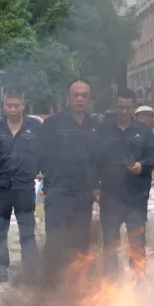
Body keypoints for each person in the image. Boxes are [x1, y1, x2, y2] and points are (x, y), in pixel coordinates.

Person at [39, 79, 100, 278]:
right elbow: (42, 156)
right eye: (76, 95)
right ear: (68, 97)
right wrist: (50, 183)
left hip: (84, 195)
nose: (80, 99)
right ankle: (51, 285)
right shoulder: (53, 124)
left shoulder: (95, 126)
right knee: (55, 242)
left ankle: (75, 285)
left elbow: (98, 160)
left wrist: (95, 186)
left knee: (80, 243)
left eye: (84, 95)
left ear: (89, 99)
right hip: (59, 193)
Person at [98, 89, 154, 276]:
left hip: (136, 196)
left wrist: (142, 165)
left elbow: (153, 156)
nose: (124, 111)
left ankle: (138, 282)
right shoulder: (103, 131)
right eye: (120, 107)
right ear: (115, 107)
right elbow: (94, 160)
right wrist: (94, 187)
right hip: (110, 196)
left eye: (128, 107)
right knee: (110, 242)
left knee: (137, 242)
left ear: (134, 108)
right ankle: (110, 281)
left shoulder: (144, 131)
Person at [0, 88, 42, 285]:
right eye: (9, 105)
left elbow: (42, 154)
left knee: (27, 230)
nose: (13, 109)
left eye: (16, 105)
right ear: (3, 106)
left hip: (24, 187)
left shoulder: (35, 127)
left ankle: (31, 272)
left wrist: (34, 172)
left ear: (23, 105)